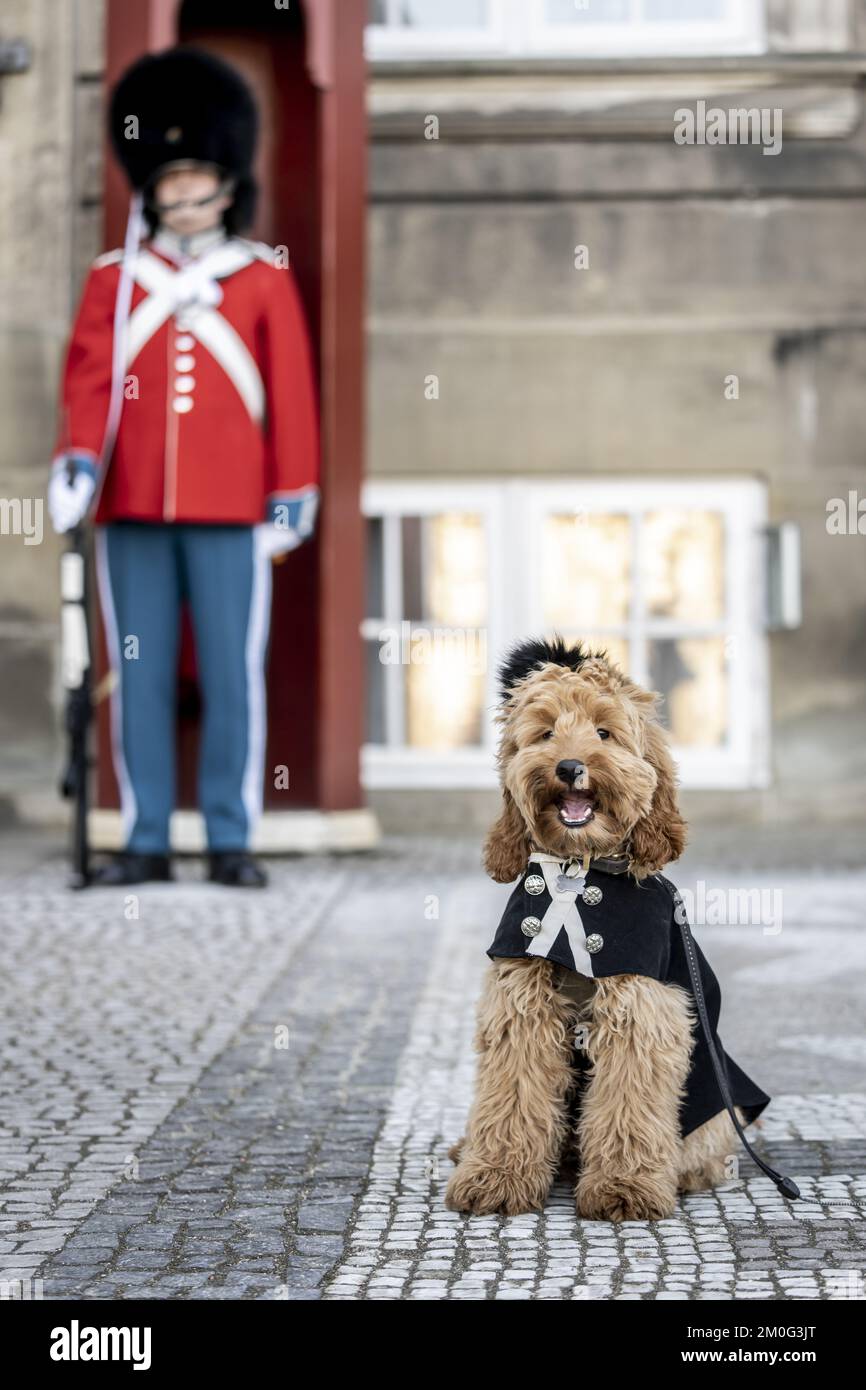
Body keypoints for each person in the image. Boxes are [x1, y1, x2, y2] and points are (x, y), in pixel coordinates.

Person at [48, 47, 319, 887]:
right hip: (131, 508)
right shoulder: (116, 281)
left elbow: (293, 394)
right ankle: (146, 836)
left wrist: (291, 495)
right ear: (153, 186)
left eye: (203, 183)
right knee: (139, 675)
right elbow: (91, 382)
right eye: (175, 183)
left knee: (235, 679)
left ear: (229, 187)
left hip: (233, 509)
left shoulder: (261, 279)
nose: (189, 200)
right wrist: (79, 463)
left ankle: (231, 836)